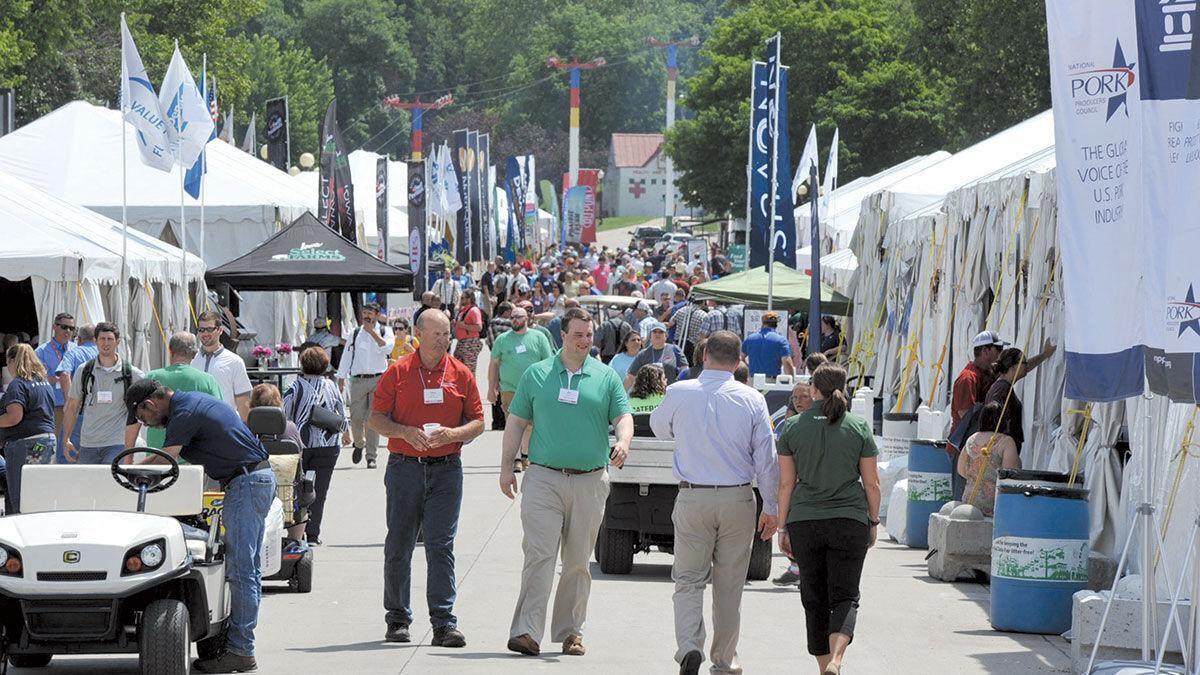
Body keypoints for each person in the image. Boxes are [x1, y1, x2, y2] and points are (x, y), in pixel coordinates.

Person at [501, 307, 633, 658]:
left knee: (577, 562)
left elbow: (623, 416)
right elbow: (515, 423)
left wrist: (623, 441)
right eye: (578, 334)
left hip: (590, 481)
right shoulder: (538, 374)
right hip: (543, 477)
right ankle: (527, 631)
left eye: (589, 335)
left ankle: (570, 632)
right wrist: (505, 467)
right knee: (539, 555)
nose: (585, 341)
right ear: (562, 335)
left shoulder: (605, 376)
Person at [649, 329, 779, 675]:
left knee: (689, 579)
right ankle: (724, 660)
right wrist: (771, 506)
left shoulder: (679, 391)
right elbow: (766, 458)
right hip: (738, 497)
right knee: (730, 584)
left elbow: (660, 428)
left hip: (694, 495)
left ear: (704, 357)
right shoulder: (752, 399)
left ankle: (690, 646)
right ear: (739, 362)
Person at [125, 379, 274, 674]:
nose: (147, 425)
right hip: (249, 480)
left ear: (151, 404)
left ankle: (241, 650)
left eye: (142, 418)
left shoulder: (184, 411)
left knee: (242, 571)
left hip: (245, 482)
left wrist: (129, 474)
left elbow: (166, 460)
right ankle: (236, 644)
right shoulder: (189, 404)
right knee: (245, 569)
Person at [368, 309, 484, 648]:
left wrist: (453, 434)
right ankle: (398, 619)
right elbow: (375, 418)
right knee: (399, 544)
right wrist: (404, 432)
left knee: (441, 546)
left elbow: (478, 422)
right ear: (418, 333)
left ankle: (444, 623)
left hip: (446, 468)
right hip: (405, 467)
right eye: (437, 333)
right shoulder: (398, 372)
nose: (444, 338)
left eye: (447, 333)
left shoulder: (460, 373)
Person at [776, 364, 881, 675]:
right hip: (849, 519)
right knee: (846, 594)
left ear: (813, 390)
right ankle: (836, 661)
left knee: (814, 596)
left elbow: (785, 484)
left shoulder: (793, 427)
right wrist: (873, 522)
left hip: (805, 520)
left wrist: (782, 526)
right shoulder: (858, 427)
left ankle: (825, 668)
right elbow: (872, 484)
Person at [284, 346, 348, 545]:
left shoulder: (294, 387)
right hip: (328, 445)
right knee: (320, 490)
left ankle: (297, 532)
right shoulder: (331, 386)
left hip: (300, 446)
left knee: (298, 490)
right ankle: (313, 534)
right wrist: (347, 434)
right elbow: (341, 414)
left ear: (302, 364)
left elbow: (285, 416)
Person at [62, 322, 144, 465]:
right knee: (88, 485)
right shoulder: (84, 370)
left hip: (117, 442)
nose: (106, 343)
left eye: (110, 339)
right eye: (102, 339)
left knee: (110, 483)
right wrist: (66, 438)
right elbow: (72, 406)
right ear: (95, 341)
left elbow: (150, 396)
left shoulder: (131, 373)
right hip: (88, 442)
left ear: (117, 342)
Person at [488, 306, 554, 473]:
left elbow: (548, 363)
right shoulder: (502, 340)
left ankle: (525, 455)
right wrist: (491, 388)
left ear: (527, 319)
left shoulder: (539, 337)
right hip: (509, 390)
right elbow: (494, 364)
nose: (514, 320)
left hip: (534, 390)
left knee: (530, 426)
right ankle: (516, 459)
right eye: (512, 317)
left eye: (518, 317)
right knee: (513, 425)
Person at [0, 344, 56, 514]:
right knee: (40, 494)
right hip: (47, 442)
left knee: (20, 497)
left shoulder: (17, 384)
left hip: (25, 446)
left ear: (11, 362)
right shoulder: (43, 383)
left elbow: (13, 417)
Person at [336, 303, 393, 469]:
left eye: (370, 313)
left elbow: (388, 348)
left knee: (372, 419)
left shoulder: (384, 331)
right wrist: (341, 377)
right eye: (365, 313)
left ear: (376, 315)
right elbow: (346, 356)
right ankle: (359, 444)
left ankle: (371, 456)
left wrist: (372, 333)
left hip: (378, 379)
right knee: (356, 417)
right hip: (358, 380)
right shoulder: (355, 333)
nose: (367, 316)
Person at [143, 332, 222, 449]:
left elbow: (135, 419)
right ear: (195, 353)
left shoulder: (151, 377)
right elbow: (217, 416)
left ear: (170, 350)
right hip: (194, 452)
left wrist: (129, 454)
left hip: (157, 452)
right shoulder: (207, 380)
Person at [773, 376, 816, 587]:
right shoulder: (791, 426)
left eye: (804, 397)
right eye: (795, 397)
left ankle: (801, 570)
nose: (798, 401)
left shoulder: (817, 425)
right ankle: (797, 568)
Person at [957, 401, 1019, 516]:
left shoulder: (971, 439)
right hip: (992, 503)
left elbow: (961, 470)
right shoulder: (1005, 441)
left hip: (969, 501)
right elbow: (1010, 474)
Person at [983, 346, 1044, 455]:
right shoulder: (1002, 389)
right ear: (1013, 368)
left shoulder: (1002, 386)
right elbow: (992, 414)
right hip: (1002, 454)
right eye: (1024, 362)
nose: (1027, 365)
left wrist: (1045, 354)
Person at [193, 311, 253, 420]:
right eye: (201, 330)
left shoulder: (235, 362)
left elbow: (243, 402)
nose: (205, 333)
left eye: (210, 329)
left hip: (224, 426)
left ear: (220, 330)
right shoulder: (191, 359)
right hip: (196, 427)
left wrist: (244, 431)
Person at [34, 312, 76, 461]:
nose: (68, 332)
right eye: (64, 327)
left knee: (74, 443)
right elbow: (35, 378)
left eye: (72, 328)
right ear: (54, 327)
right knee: (57, 444)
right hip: (54, 406)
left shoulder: (75, 349)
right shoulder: (41, 351)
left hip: (74, 405)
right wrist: (53, 379)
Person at [54, 323, 98, 461]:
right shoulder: (104, 354)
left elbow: (64, 374)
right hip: (102, 412)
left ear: (78, 339)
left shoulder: (74, 352)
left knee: (67, 453)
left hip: (80, 410)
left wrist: (69, 402)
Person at [624, 322, 688, 389]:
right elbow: (631, 377)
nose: (657, 334)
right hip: (649, 395)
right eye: (654, 332)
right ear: (650, 336)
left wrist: (679, 386)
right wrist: (623, 395)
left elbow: (684, 370)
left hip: (670, 393)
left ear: (666, 336)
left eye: (661, 332)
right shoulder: (643, 354)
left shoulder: (674, 349)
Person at [742, 312, 794, 378]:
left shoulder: (750, 339)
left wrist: (748, 368)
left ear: (762, 323)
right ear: (776, 324)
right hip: (772, 381)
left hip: (753, 380)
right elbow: (787, 363)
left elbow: (741, 358)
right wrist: (791, 381)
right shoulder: (781, 340)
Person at [452, 289, 485, 376]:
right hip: (461, 343)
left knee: (469, 371)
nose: (461, 300)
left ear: (469, 299)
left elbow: (479, 327)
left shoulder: (474, 310)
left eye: (462, 298)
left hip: (470, 343)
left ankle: (471, 389)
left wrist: (464, 326)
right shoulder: (464, 310)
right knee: (458, 369)